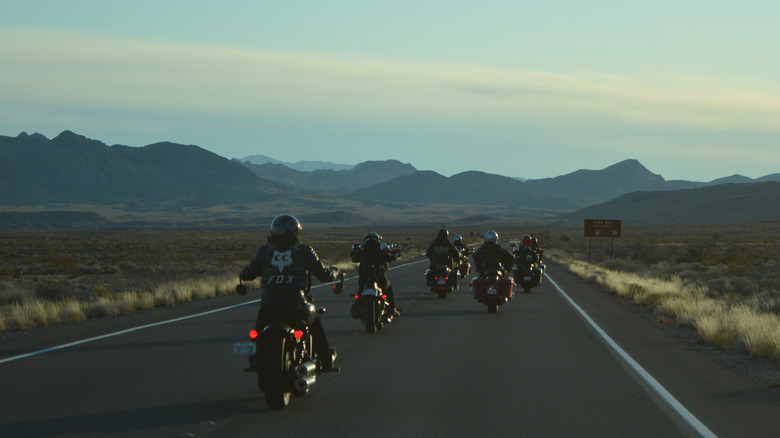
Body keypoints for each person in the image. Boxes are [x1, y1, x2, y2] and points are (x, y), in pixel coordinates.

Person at [239, 214, 338, 371]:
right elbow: (324, 275)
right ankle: (326, 362)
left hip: (269, 306)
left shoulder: (264, 251)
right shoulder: (304, 250)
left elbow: (249, 274)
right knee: (315, 323)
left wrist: (243, 274)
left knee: (257, 332)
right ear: (296, 233)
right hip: (296, 305)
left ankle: (254, 360)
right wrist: (334, 271)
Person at [350, 232, 401, 316]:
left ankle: (359, 308)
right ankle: (392, 309)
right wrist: (395, 253)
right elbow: (390, 257)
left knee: (360, 291)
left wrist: (355, 251)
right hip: (380, 278)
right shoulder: (381, 253)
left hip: (364, 279)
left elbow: (354, 258)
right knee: (388, 289)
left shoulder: (363, 253)